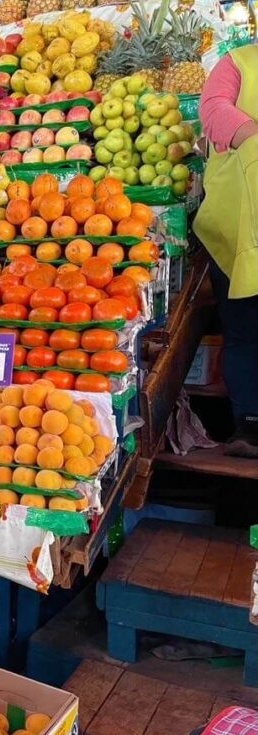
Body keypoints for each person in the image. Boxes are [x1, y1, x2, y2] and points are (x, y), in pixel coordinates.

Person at [195, 46, 258, 457]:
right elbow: (213, 107)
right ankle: (249, 425)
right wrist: (250, 134)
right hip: (237, 223)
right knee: (243, 330)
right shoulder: (239, 61)